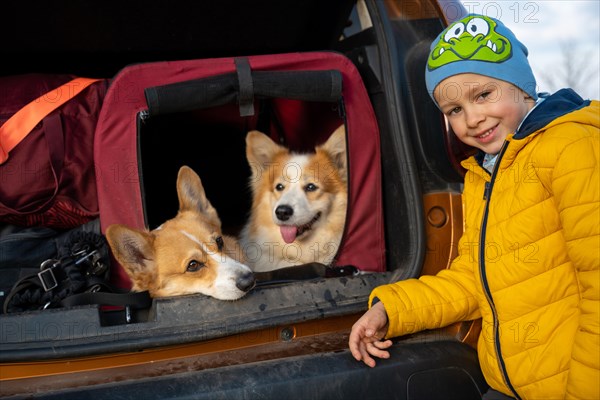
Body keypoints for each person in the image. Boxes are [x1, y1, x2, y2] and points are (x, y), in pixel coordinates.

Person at [348, 14, 599, 400]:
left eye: (483, 95)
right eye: (453, 111)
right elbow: (472, 278)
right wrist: (389, 310)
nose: (472, 119)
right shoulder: (483, 174)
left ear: (521, 84)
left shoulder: (571, 148)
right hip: (509, 386)